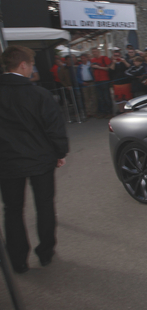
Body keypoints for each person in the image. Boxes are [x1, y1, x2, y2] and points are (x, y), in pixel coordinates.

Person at [0, 46, 68, 273]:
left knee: (12, 209)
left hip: (7, 161)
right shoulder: (39, 94)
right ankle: (46, 252)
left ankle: (18, 259)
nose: (32, 69)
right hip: (40, 159)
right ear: (23, 65)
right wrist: (60, 152)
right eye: (31, 65)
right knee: (44, 205)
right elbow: (54, 127)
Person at [90, 48, 113, 118]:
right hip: (97, 80)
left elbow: (109, 68)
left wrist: (99, 67)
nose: (94, 53)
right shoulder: (92, 60)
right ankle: (103, 112)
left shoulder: (104, 58)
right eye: (93, 52)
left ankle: (110, 112)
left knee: (106, 96)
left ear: (99, 52)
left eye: (95, 51)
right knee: (100, 97)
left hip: (105, 80)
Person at [77, 52, 97, 118]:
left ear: (87, 58)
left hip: (91, 82)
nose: (83, 59)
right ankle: (89, 112)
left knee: (93, 97)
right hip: (84, 83)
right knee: (86, 98)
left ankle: (94, 112)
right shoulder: (80, 67)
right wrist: (81, 82)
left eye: (84, 58)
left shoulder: (91, 65)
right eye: (82, 58)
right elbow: (77, 76)